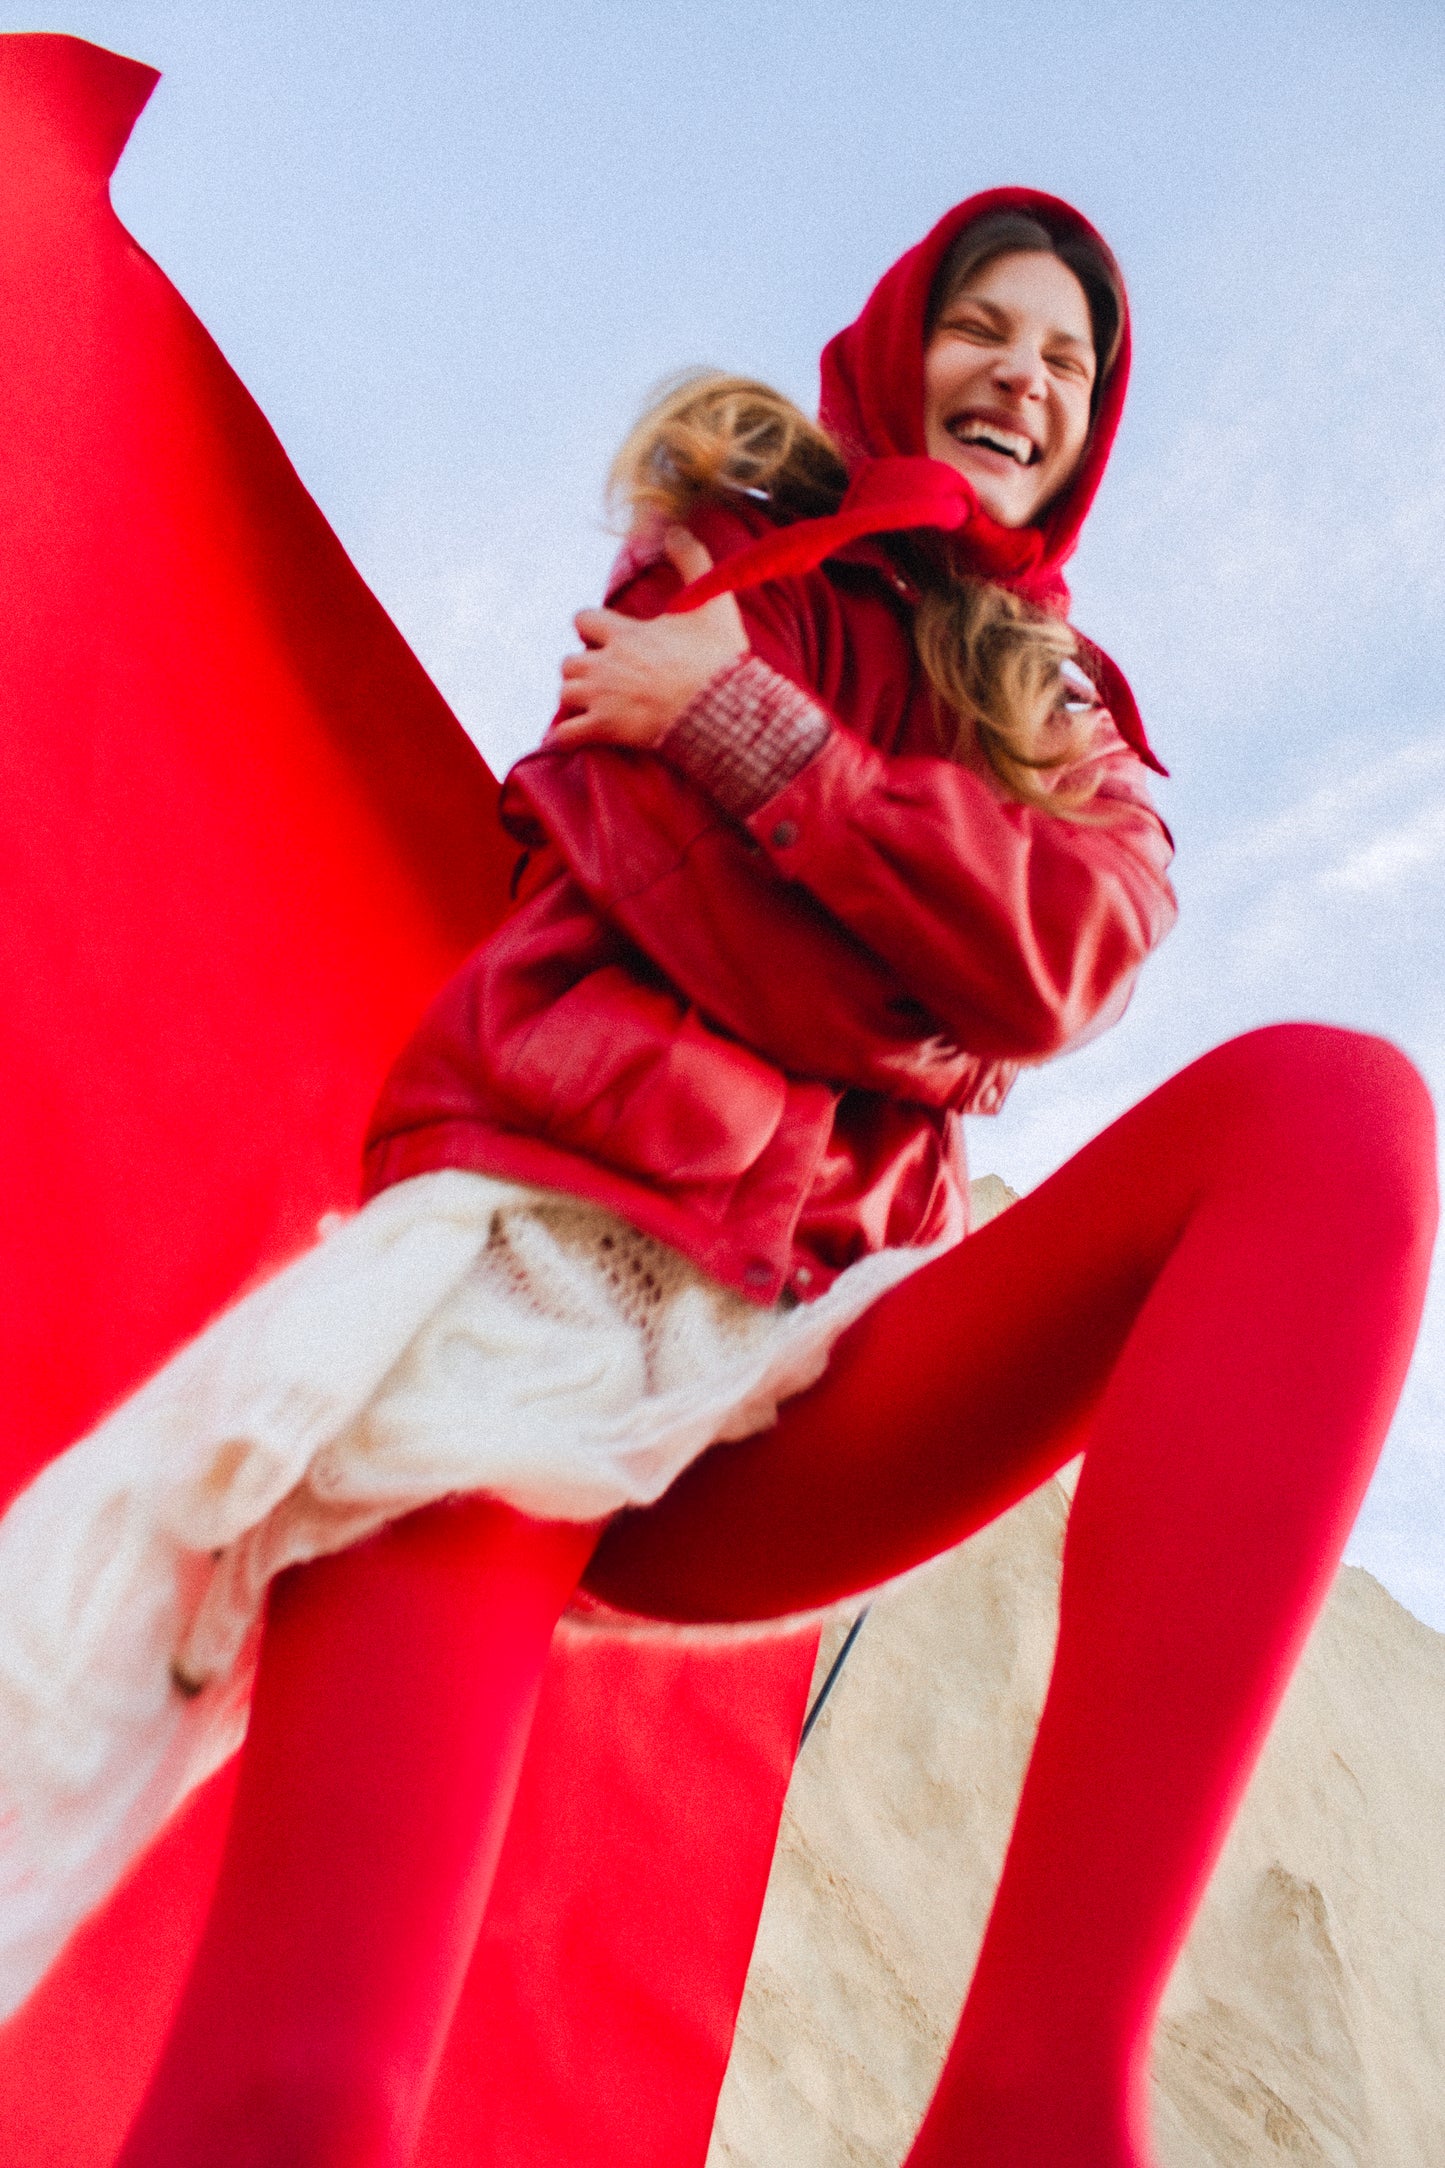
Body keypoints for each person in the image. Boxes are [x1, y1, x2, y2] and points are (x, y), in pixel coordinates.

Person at [10, 185, 1432, 2167]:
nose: (1023, 373)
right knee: (302, 2095)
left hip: (801, 1352)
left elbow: (1059, 962)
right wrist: (913, 930)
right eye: (987, 325)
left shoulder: (1071, 722)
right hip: (536, 1298)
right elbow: (693, 904)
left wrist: (759, 751)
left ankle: (1034, 2101)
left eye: (1069, 359)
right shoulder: (733, 531)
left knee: (1339, 1116)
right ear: (900, 338)